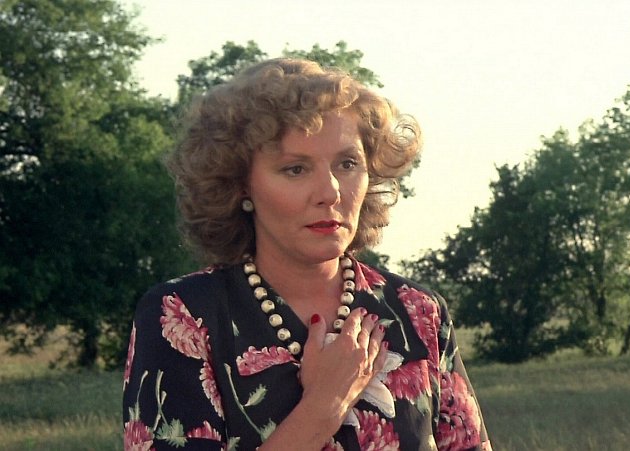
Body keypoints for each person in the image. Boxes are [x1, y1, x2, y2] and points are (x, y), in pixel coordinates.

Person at [122, 58, 491, 451]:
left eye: (348, 164)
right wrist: (325, 405)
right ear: (240, 185)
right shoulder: (181, 316)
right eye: (295, 169)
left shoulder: (418, 313)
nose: (330, 192)